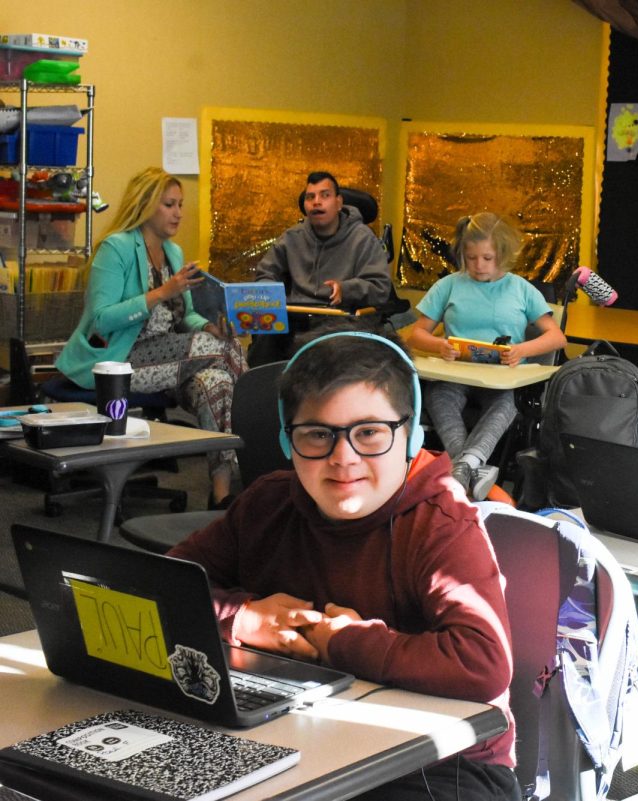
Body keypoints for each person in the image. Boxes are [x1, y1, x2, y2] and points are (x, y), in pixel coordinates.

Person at [168, 331, 519, 801]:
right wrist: (244, 616)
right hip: (304, 736)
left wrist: (346, 642)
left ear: (411, 435)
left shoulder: (441, 525)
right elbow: (162, 587)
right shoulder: (267, 504)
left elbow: (483, 664)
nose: (344, 458)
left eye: (369, 432)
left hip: (441, 765)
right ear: (286, 439)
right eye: (318, 434)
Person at [56, 167, 246, 508]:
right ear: (146, 205)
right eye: (169, 204)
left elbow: (185, 316)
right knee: (223, 351)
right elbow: (102, 319)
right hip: (119, 359)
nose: (178, 213)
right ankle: (265, 427)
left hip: (170, 358)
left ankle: (222, 496)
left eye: (180, 205)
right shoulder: (115, 249)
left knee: (217, 383)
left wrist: (207, 327)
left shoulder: (173, 253)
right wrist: (160, 293)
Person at [407, 212, 566, 499]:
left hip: (502, 379)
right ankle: (470, 464)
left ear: (502, 255)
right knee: (438, 396)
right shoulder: (449, 285)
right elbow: (416, 334)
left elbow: (556, 337)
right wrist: (439, 345)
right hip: (455, 373)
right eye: (471, 258)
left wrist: (521, 350)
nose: (478, 266)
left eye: (487, 258)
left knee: (507, 403)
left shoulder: (521, 289)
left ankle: (461, 465)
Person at [248, 171, 393, 366]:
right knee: (262, 339)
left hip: (339, 320)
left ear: (339, 202)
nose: (317, 202)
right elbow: (266, 272)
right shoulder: (292, 237)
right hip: (294, 317)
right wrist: (270, 291)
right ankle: (263, 392)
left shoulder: (363, 238)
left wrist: (346, 289)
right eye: (310, 197)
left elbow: (380, 288)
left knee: (315, 351)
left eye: (325, 195)